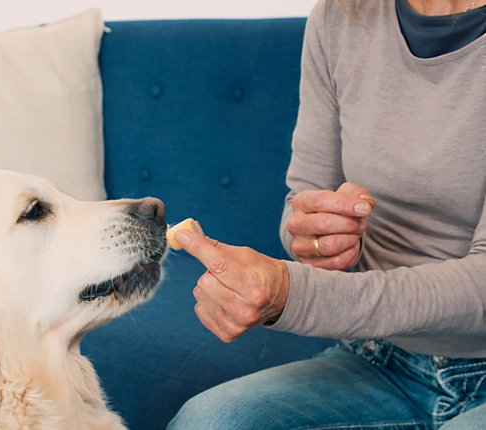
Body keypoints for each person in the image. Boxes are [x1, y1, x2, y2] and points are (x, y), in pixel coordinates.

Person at [167, 0, 486, 429]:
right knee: (208, 422)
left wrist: (291, 294)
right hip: (383, 358)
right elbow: (301, 201)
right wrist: (317, 239)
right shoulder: (341, 15)